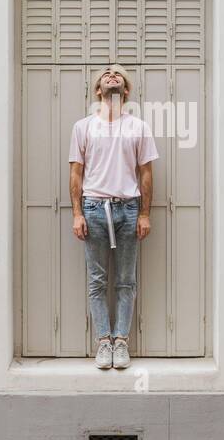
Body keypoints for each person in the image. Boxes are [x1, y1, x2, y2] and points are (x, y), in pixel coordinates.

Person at [68, 65, 158, 369]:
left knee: (125, 281)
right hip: (93, 208)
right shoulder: (83, 127)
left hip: (129, 208)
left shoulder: (138, 127)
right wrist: (77, 213)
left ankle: (121, 342)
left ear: (126, 90)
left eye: (118, 74)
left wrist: (144, 214)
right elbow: (76, 172)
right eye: (106, 74)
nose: (112, 75)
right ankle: (103, 341)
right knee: (97, 280)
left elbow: (146, 172)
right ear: (98, 90)